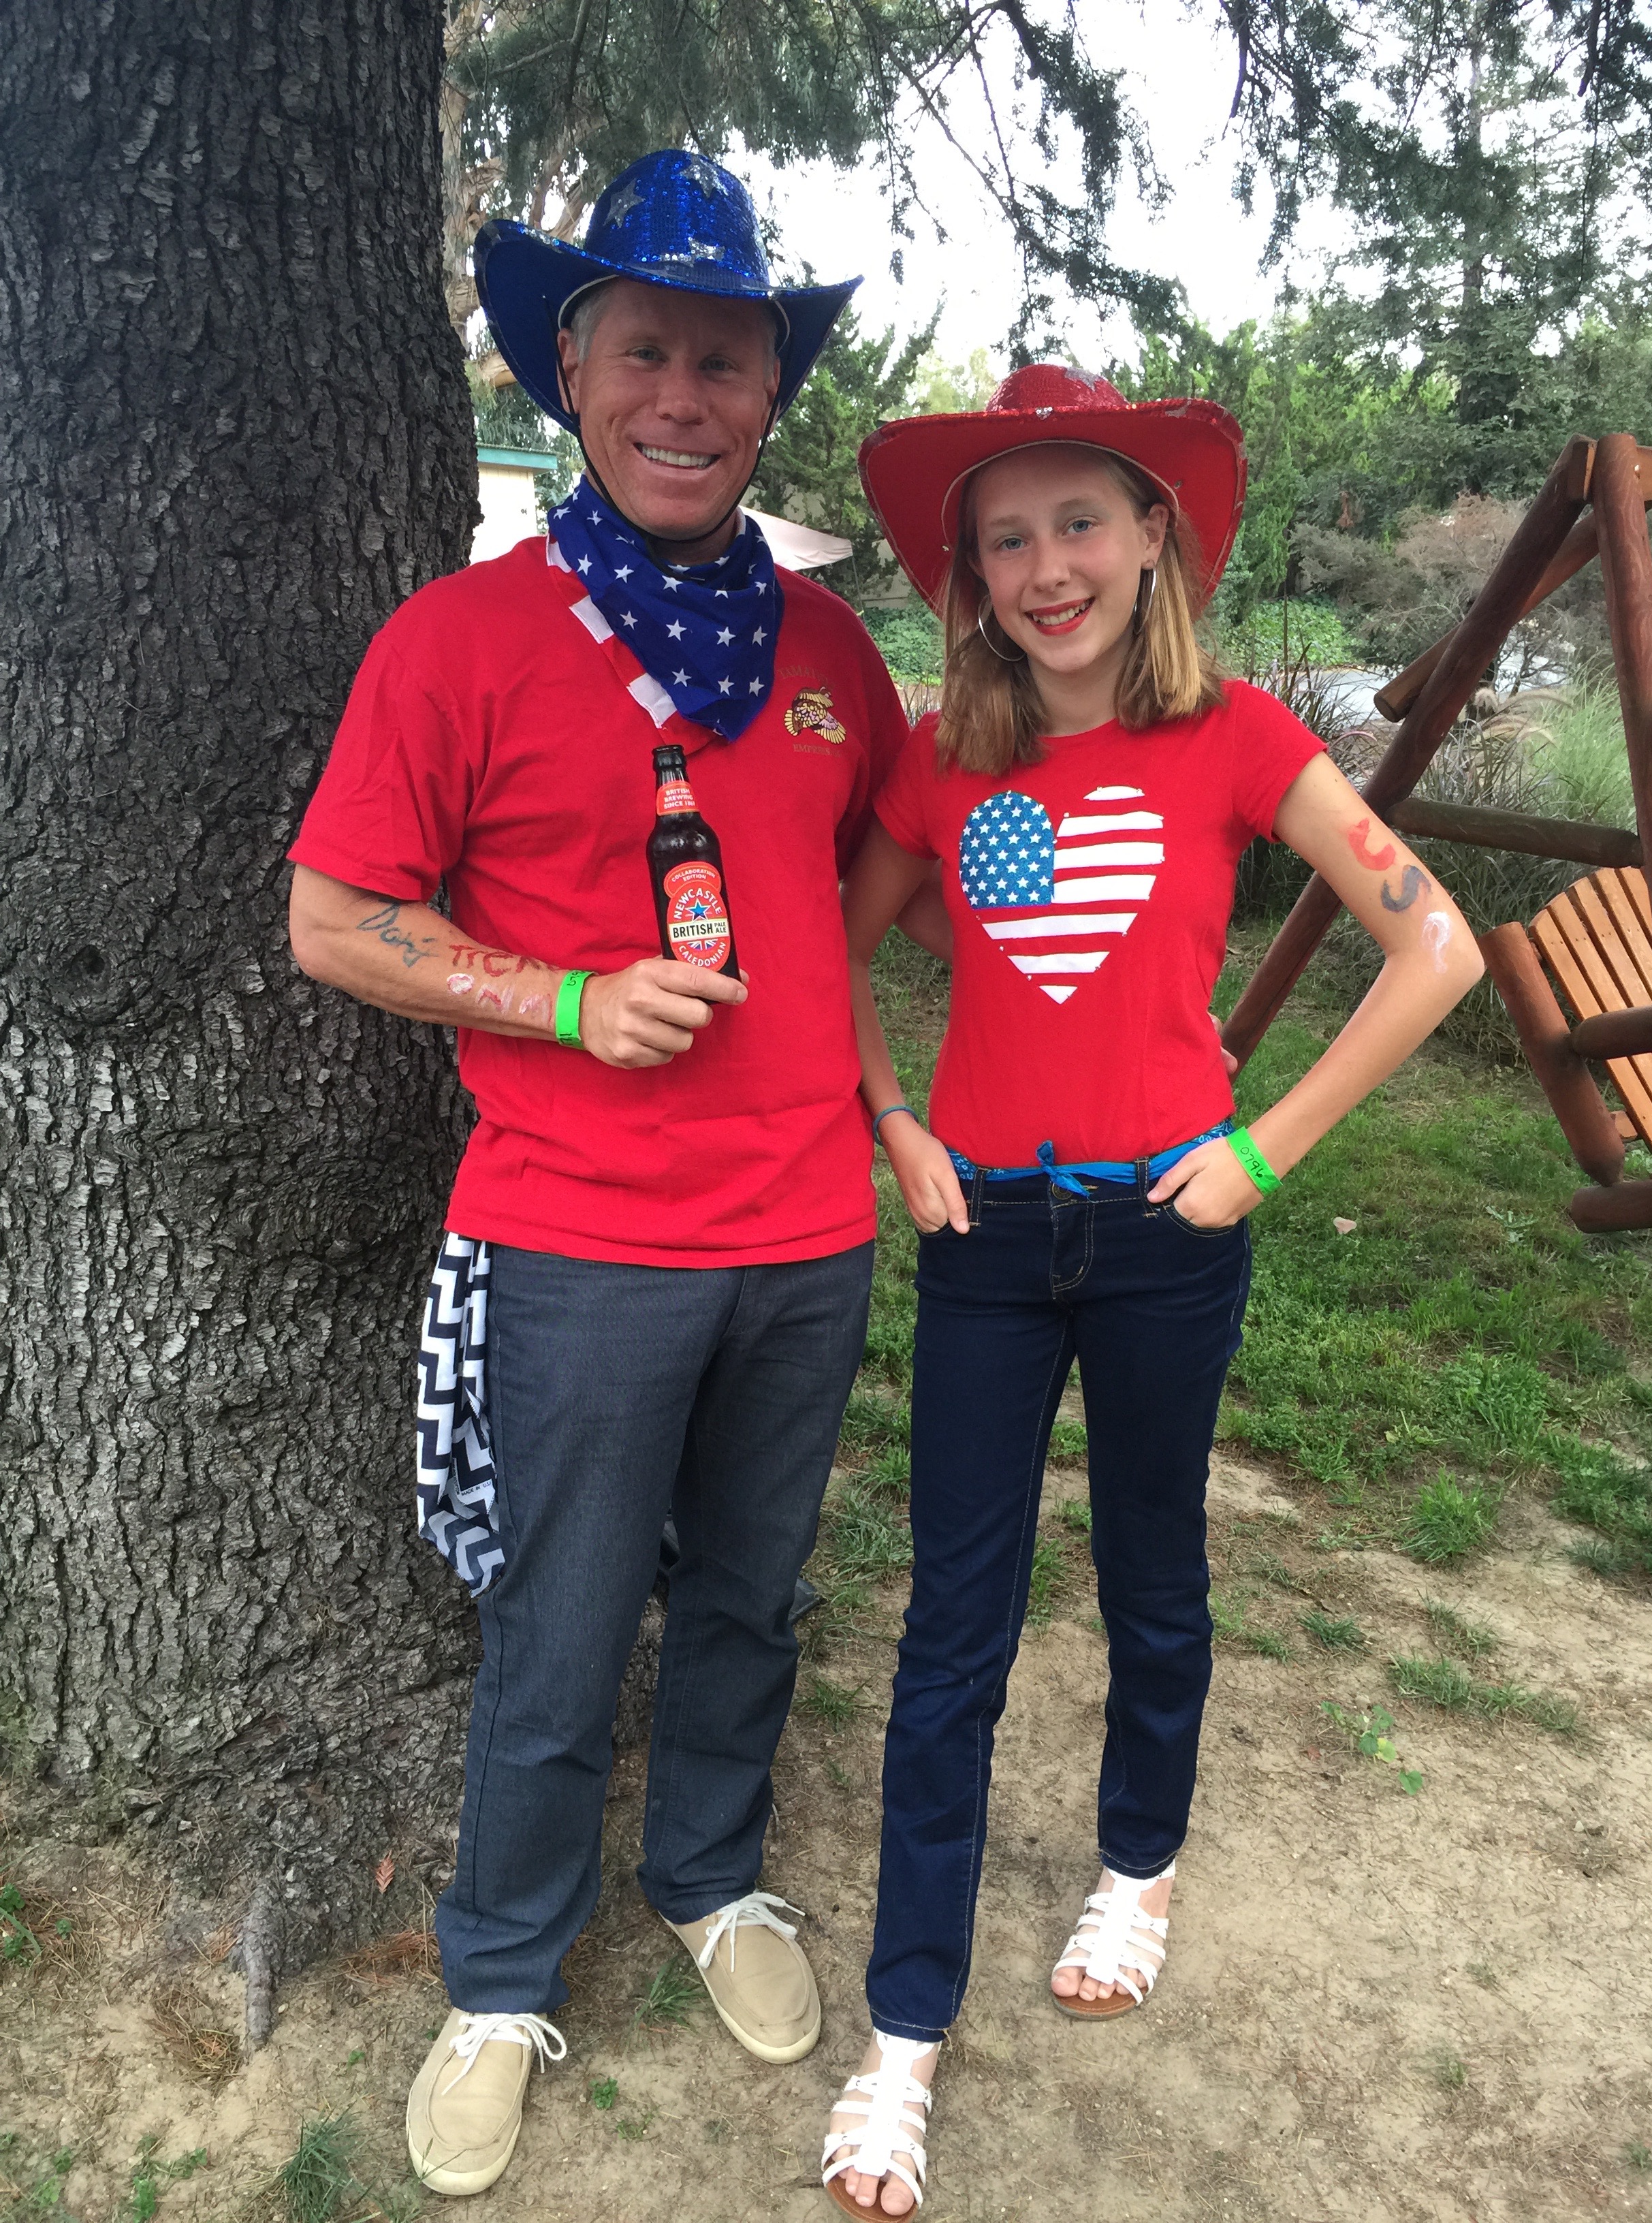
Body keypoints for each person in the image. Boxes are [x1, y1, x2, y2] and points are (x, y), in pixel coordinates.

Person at [287, 149, 927, 2198]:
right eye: (645, 351)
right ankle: (497, 1977)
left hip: (810, 1236)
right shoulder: (461, 637)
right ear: (572, 371)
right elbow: (333, 919)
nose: (683, 397)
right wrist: (562, 999)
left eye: (724, 361)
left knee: (748, 1596)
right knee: (559, 1635)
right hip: (579, 1239)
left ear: (768, 391)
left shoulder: (825, 646)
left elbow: (887, 856)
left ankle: (712, 1877)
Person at [819, 363, 1485, 2216]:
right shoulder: (943, 759)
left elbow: (1437, 946)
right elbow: (834, 942)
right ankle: (905, 2033)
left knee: (1151, 1573)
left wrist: (1267, 1151)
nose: (1047, 568)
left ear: (1150, 541)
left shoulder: (1237, 737)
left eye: (1079, 524)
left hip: (1164, 1238)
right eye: (1006, 539)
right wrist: (894, 1117)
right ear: (969, 575)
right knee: (952, 1630)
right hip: (983, 1244)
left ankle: (1138, 1864)